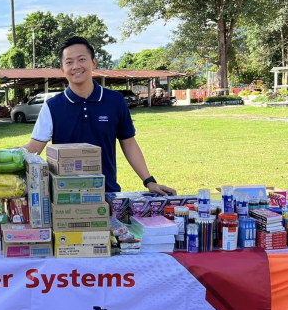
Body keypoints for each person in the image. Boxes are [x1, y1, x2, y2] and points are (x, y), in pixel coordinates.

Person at [23, 36, 176, 195]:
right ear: (62, 68)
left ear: (94, 62)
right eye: (69, 62)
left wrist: (149, 181)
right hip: (65, 197)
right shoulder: (52, 106)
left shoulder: (115, 101)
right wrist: (7, 155)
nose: (76, 66)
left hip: (106, 194)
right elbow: (34, 147)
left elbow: (129, 144)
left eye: (82, 59)